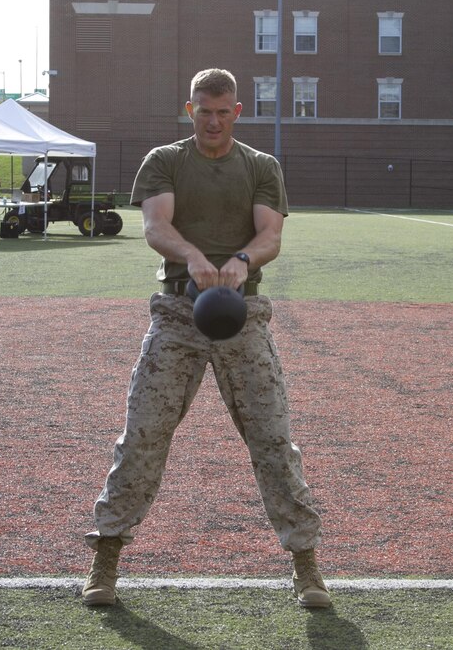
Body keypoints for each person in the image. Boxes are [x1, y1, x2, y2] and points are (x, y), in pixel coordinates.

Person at [82, 68, 330, 609]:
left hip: (244, 317)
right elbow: (155, 226)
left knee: (272, 440)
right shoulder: (165, 160)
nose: (212, 120)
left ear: (237, 112)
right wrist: (194, 257)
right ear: (188, 108)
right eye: (203, 110)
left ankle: (306, 566)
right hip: (177, 315)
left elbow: (271, 234)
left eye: (222, 111)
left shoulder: (262, 167)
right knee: (143, 435)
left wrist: (241, 261)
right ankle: (106, 557)